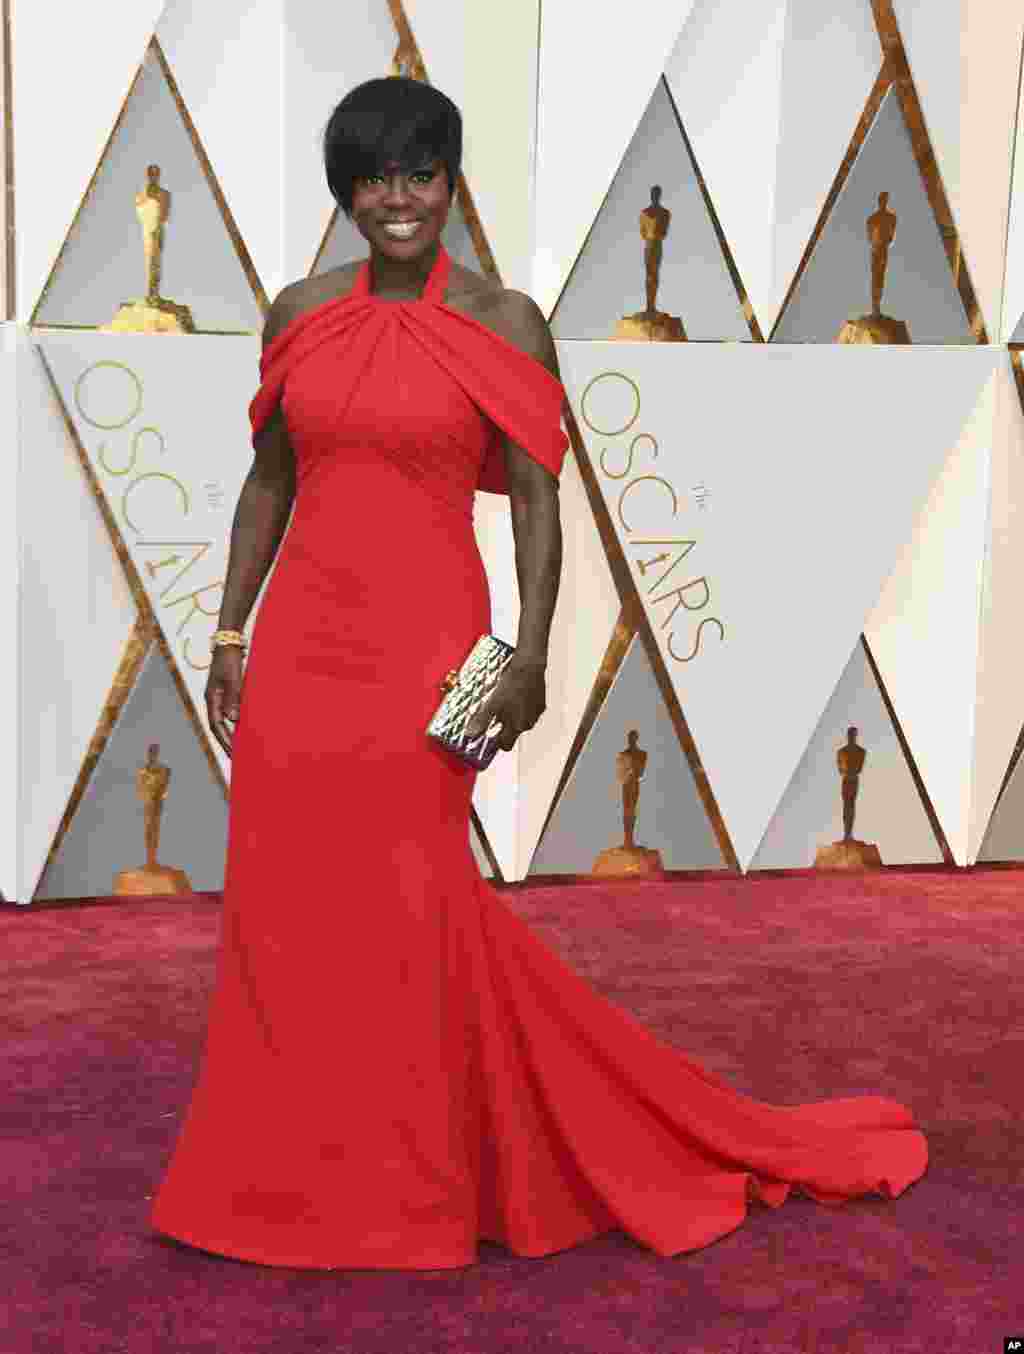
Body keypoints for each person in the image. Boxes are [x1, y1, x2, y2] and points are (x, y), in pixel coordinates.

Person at [149, 76, 927, 1272]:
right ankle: (276, 1170)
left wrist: (526, 653)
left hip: (424, 649)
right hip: (302, 647)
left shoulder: (506, 320)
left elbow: (532, 499)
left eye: (420, 172)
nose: (396, 197)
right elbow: (270, 478)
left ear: (452, 183)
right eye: (373, 175)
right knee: (286, 911)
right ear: (343, 191)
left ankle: (409, 1187)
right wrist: (227, 629)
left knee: (413, 902)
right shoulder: (296, 311)